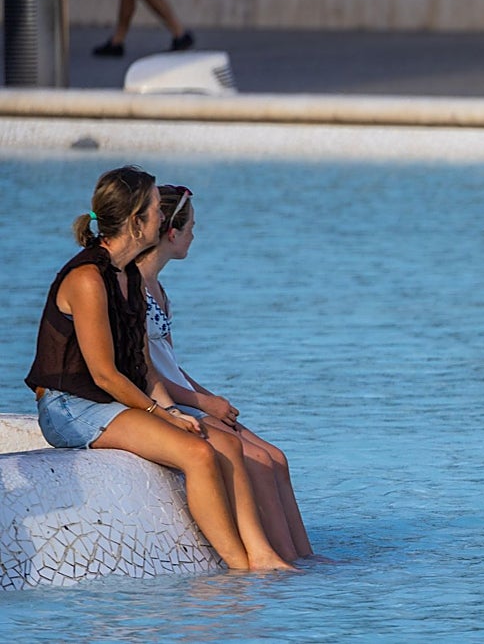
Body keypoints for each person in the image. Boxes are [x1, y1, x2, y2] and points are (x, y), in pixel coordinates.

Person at [24, 166, 291, 571]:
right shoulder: (88, 279)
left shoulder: (128, 275)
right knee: (197, 454)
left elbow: (145, 368)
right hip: (70, 407)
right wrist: (162, 415)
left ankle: (263, 556)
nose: (162, 218)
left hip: (111, 402)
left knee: (223, 445)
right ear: (136, 221)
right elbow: (104, 374)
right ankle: (240, 567)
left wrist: (174, 411)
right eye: (155, 209)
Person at [139, 184, 313, 561]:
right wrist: (202, 403)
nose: (194, 236)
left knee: (276, 457)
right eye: (191, 228)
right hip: (165, 401)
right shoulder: (133, 288)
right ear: (172, 232)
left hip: (186, 394)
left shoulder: (158, 288)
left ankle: (304, 559)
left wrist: (209, 397)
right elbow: (145, 371)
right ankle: (277, 559)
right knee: (258, 462)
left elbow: (169, 362)